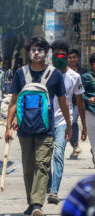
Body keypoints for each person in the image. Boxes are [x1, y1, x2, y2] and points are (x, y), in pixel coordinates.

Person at [5, 36, 71, 216]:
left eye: (40, 50)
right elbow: (13, 101)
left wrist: (69, 125)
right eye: (33, 49)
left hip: (47, 128)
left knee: (42, 165)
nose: (36, 53)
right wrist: (8, 127)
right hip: (24, 129)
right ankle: (31, 202)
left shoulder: (55, 74)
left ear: (46, 52)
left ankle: (37, 204)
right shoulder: (20, 73)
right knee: (28, 167)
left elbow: (63, 101)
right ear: (29, 52)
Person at [47, 41, 87, 204]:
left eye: (62, 54)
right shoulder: (46, 74)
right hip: (47, 120)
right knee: (45, 156)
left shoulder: (74, 76)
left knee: (58, 154)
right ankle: (49, 184)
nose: (59, 57)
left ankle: (54, 191)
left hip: (65, 119)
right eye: (56, 54)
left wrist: (84, 125)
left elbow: (80, 100)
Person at [67, 49, 87, 159]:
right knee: (70, 123)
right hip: (67, 102)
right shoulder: (64, 72)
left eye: (74, 57)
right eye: (70, 57)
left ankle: (75, 145)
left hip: (79, 102)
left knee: (73, 121)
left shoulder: (82, 72)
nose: (72, 60)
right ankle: (75, 146)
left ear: (77, 58)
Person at [82, 53, 95, 168]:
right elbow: (81, 94)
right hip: (90, 111)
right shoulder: (86, 77)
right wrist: (88, 99)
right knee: (93, 136)